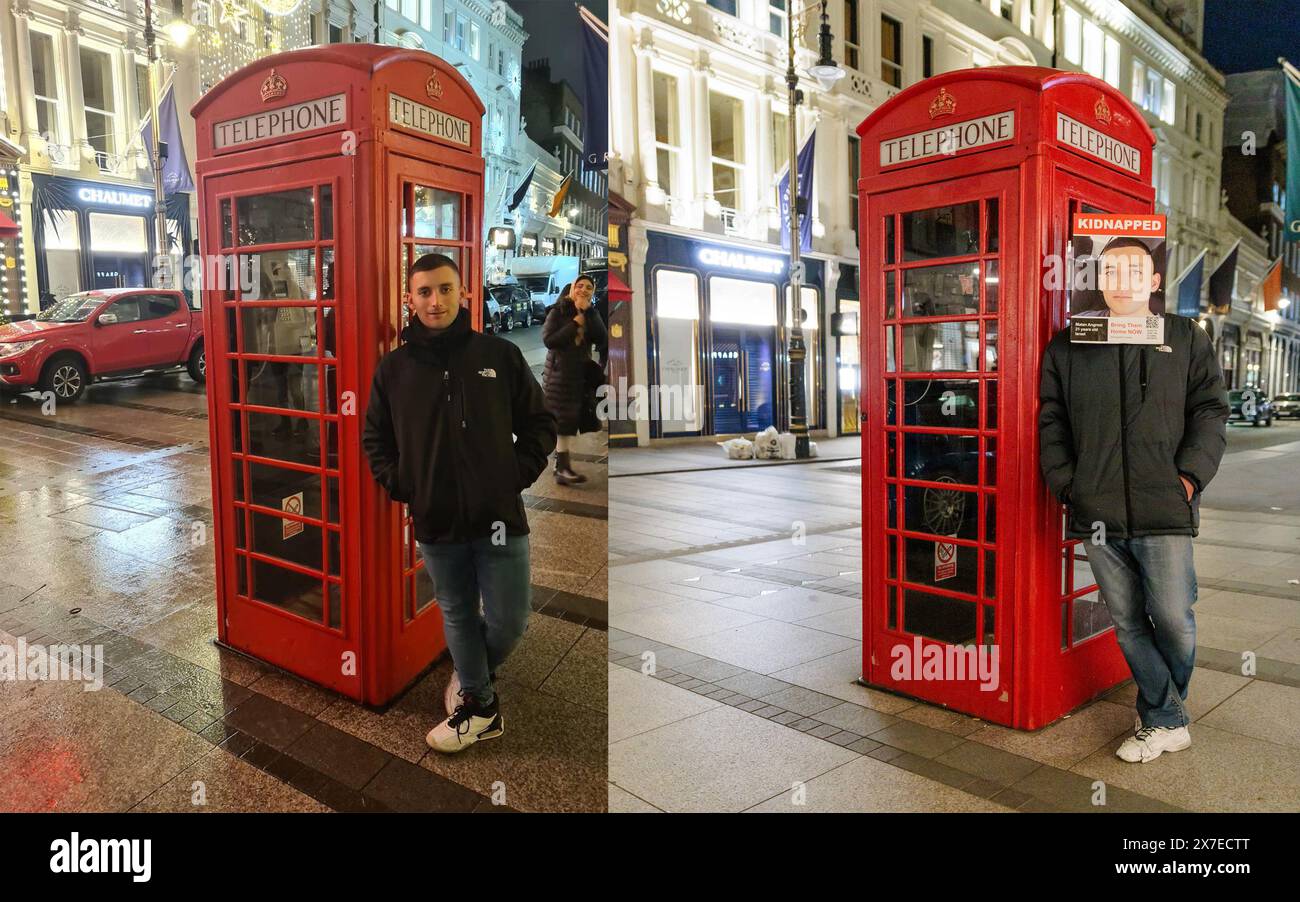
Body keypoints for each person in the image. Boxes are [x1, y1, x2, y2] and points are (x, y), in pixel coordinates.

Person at [362, 253, 557, 753]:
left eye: (446, 289)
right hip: (436, 518)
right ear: (410, 299)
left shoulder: (498, 355)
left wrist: (511, 475)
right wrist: (404, 485)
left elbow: (539, 425)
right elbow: (375, 438)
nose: (436, 300)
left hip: (498, 518)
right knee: (455, 611)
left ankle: (472, 677)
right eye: (424, 291)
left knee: (510, 620)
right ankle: (480, 703)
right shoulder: (394, 369)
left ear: (464, 293)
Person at [1038, 306, 1228, 763]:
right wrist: (1068, 484)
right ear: (1103, 277)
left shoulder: (1183, 335)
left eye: (1135, 269)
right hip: (1098, 510)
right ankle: (1166, 718)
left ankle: (1163, 713)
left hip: (1163, 508)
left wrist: (1188, 479)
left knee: (1173, 618)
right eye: (1114, 269)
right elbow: (1052, 418)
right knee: (1126, 623)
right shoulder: (1071, 342)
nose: (1123, 278)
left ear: (1153, 281)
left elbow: (1210, 409)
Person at [541, 274, 606, 485]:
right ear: (572, 288)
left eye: (588, 287)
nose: (583, 290)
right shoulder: (558, 311)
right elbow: (549, 340)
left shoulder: (590, 313)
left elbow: (601, 338)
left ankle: (561, 466)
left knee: (567, 422)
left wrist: (589, 312)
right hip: (559, 376)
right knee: (563, 423)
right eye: (580, 286)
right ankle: (562, 467)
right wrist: (573, 324)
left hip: (578, 377)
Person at [1074, 237, 1163, 318]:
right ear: (1101, 282)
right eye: (1111, 273)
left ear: (1153, 283)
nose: (1122, 285)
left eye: (1135, 273)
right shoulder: (1081, 323)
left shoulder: (1168, 331)